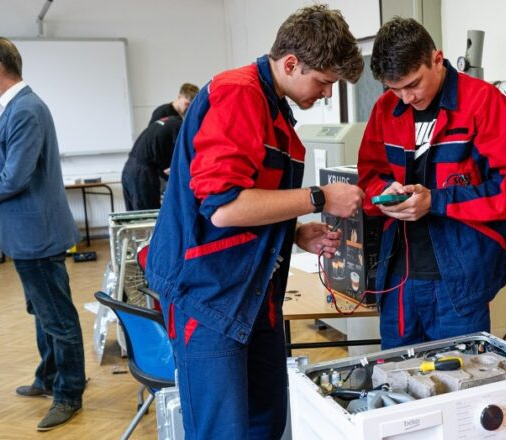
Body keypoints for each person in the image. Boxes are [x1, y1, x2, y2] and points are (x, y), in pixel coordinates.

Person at [144, 5, 364, 439]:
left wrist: (294, 234)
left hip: (251, 292)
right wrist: (318, 197)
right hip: (208, 294)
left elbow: (251, 200)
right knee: (222, 430)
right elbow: (224, 208)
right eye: (323, 82)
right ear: (290, 63)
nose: (325, 94)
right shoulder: (238, 94)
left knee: (265, 418)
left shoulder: (273, 107)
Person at [357, 18, 506, 349]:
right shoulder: (386, 109)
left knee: (461, 385)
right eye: (394, 89)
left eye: (413, 84)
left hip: (458, 283)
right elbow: (368, 178)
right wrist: (384, 193)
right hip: (399, 279)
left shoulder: (483, 103)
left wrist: (436, 201)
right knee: (396, 385)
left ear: (437, 59)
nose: (406, 97)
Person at [0, 37, 85, 431]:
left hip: (37, 235)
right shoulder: (14, 109)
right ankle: (49, 378)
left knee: (57, 318)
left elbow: (14, 178)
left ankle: (70, 393)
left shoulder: (26, 109)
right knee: (42, 313)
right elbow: (3, 177)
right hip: (25, 233)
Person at [121, 115, 181, 210]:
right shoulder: (180, 127)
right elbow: (182, 159)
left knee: (133, 216)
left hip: (129, 168)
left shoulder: (170, 121)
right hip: (142, 173)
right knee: (146, 215)